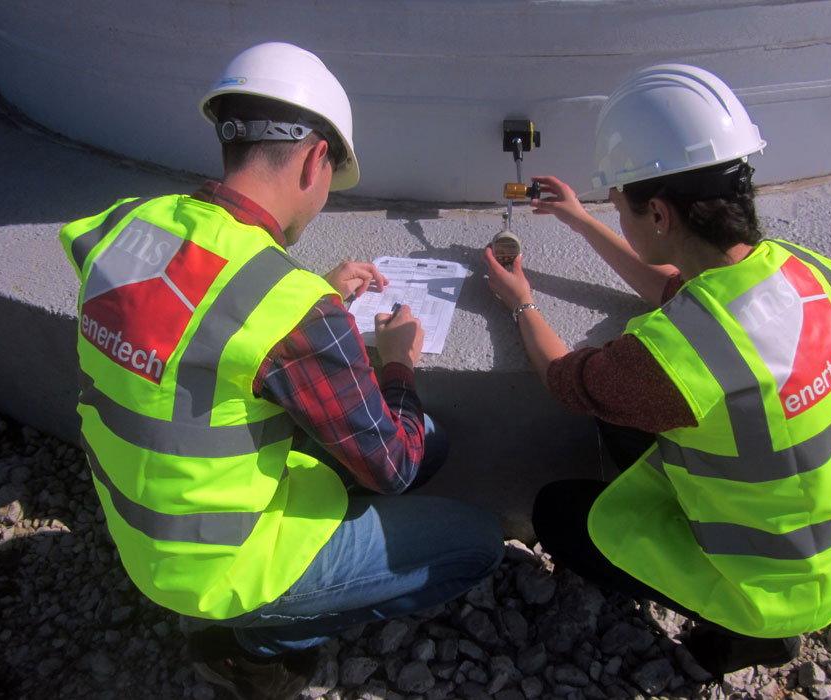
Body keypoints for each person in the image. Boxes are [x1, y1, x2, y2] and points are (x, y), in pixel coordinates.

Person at [59, 42, 503, 700]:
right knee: (476, 537)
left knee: (424, 441)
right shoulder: (290, 308)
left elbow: (182, 315)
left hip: (146, 527)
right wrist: (398, 363)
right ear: (316, 158)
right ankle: (253, 645)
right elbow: (395, 465)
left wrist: (307, 305)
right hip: (225, 566)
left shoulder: (126, 227)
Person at [484, 64, 831, 677]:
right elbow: (674, 289)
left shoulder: (672, 359)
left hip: (771, 586)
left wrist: (520, 301)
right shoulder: (807, 273)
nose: (619, 219)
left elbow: (565, 380)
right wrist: (579, 220)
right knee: (638, 429)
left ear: (659, 216)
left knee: (559, 512)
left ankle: (747, 636)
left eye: (620, 209)